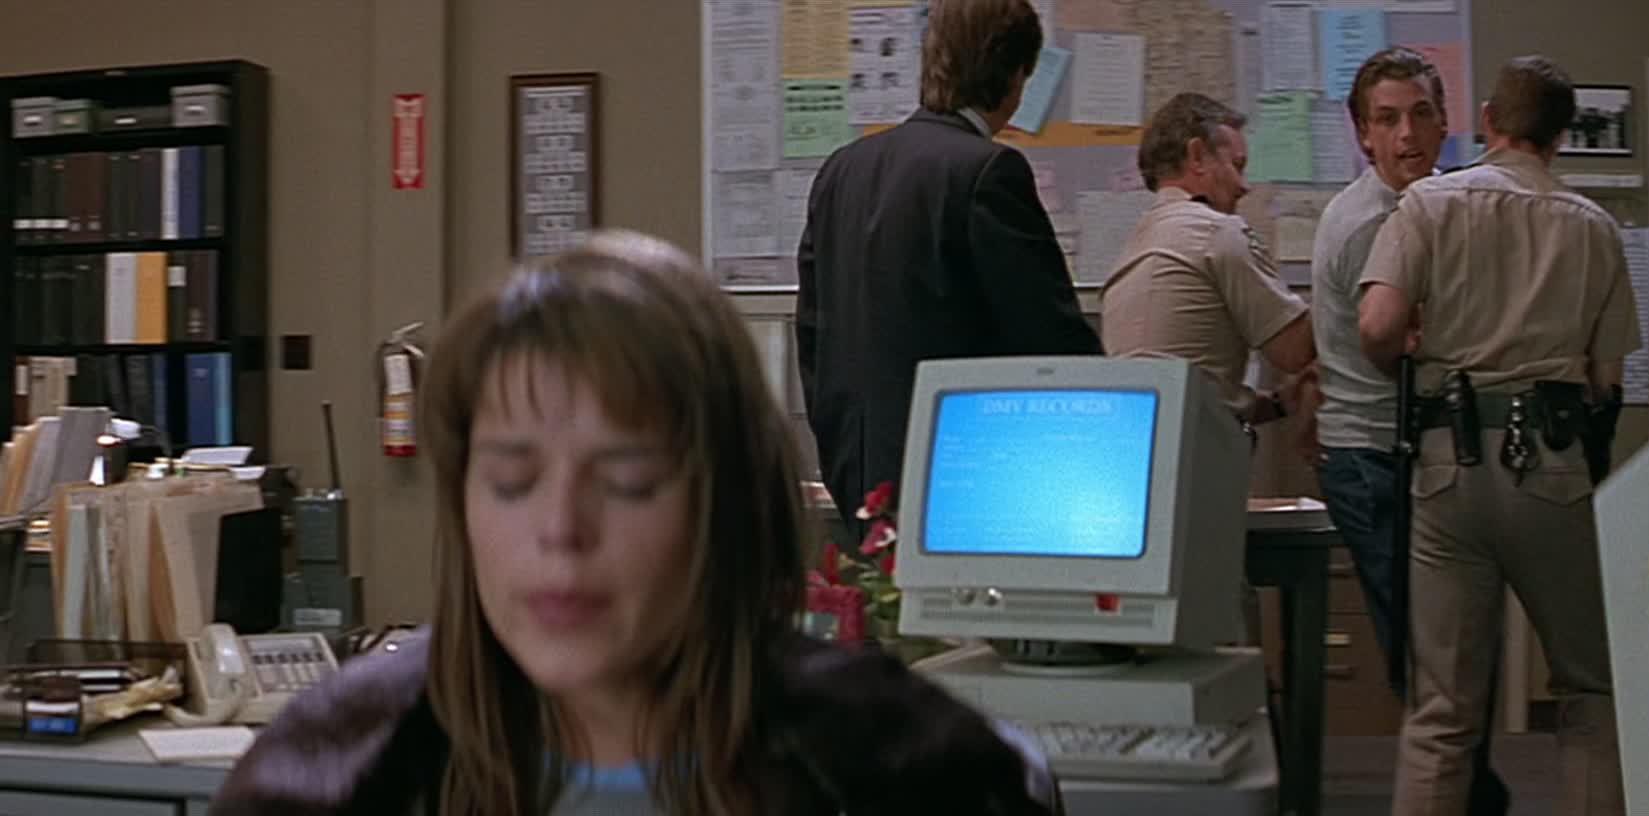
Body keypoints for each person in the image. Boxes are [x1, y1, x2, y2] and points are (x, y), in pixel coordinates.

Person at [210, 231, 1061, 815]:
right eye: (511, 481)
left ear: (725, 508)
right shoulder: (331, 774)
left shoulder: (910, 769)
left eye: (627, 481)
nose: (561, 528)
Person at [1357, 55, 1638, 816]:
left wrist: (1406, 352)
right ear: (1561, 136)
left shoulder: (1427, 204)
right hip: (1552, 467)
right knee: (1591, 689)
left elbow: (1376, 325)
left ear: (1487, 120)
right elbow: (1605, 380)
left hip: (1447, 465)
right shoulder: (1594, 227)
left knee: (1442, 710)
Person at [798, 0, 1100, 538]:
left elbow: (813, 337)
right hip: (963, 481)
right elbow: (1049, 337)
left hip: (858, 475)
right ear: (1015, 75)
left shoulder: (842, 169)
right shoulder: (987, 171)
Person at [1311, 47, 1509, 814]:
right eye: (1388, 120)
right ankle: (1467, 796)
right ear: (1363, 134)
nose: (1408, 135)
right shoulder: (1373, 221)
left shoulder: (1438, 203)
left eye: (1422, 114)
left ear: (1445, 120)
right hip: (1374, 454)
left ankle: (1467, 791)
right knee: (1426, 654)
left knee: (1452, 645)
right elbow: (1412, 343)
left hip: (1424, 448)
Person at [1100, 91, 1314, 424]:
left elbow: (1197, 390)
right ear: (1197, 155)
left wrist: (1277, 404)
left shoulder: (1133, 249)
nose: (1243, 186)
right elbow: (1294, 351)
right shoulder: (1216, 233)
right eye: (1236, 165)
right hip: (1197, 447)